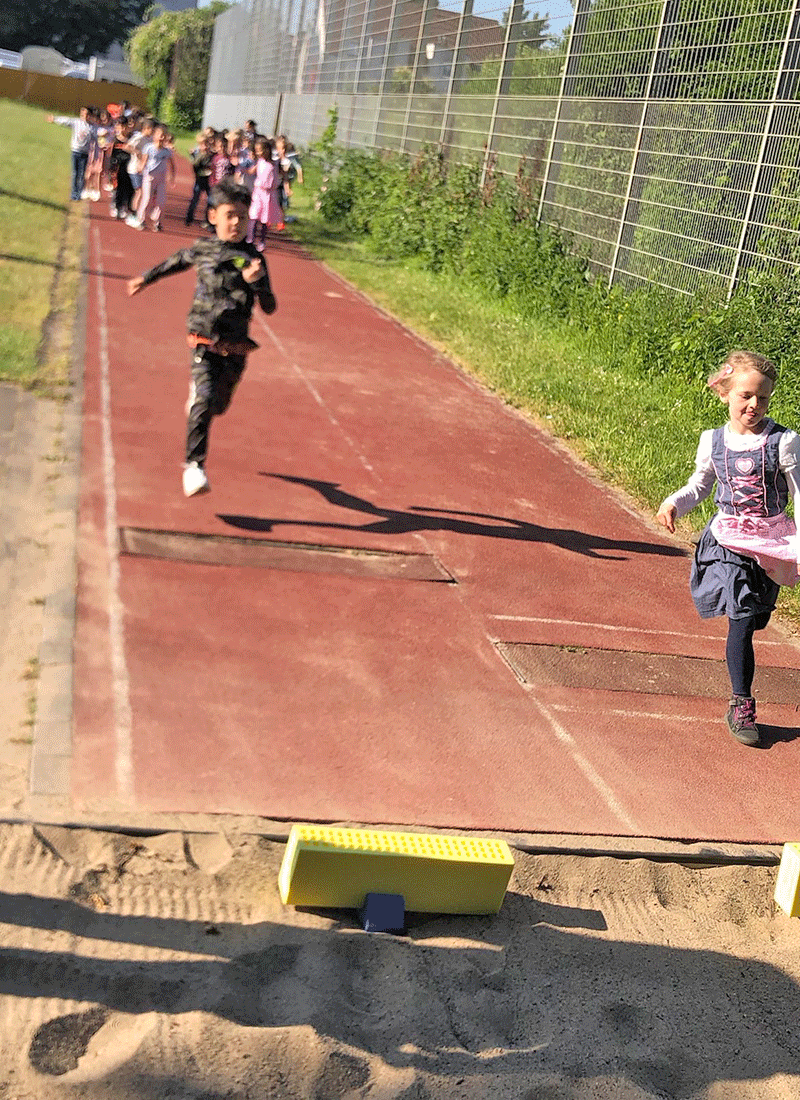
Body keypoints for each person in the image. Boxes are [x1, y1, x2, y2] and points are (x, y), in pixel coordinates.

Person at [656, 350, 800, 747]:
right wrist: (673, 502)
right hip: (727, 538)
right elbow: (701, 485)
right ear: (726, 394)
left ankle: (749, 629)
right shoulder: (713, 441)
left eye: (763, 398)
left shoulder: (784, 443)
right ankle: (742, 703)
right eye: (746, 396)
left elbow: (799, 496)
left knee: (757, 617)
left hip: (770, 541)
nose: (754, 405)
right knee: (740, 616)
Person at [127, 178, 278, 498]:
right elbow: (175, 262)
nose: (236, 222)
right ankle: (194, 467)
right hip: (203, 337)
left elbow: (270, 307)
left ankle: (203, 400)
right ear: (213, 217)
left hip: (235, 346)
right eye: (229, 215)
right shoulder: (204, 249)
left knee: (218, 406)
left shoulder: (254, 259)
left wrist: (258, 282)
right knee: (204, 401)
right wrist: (145, 278)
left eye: (242, 215)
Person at [132, 124, 175, 232]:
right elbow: (143, 161)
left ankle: (157, 221)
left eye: (164, 136)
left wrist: (172, 176)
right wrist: (140, 168)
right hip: (149, 177)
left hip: (161, 179)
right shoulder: (149, 148)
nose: (162, 138)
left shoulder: (167, 151)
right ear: (155, 136)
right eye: (160, 135)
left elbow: (172, 164)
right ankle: (141, 220)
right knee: (147, 200)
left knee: (161, 202)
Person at [47, 107, 95, 201]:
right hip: (75, 151)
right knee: (74, 173)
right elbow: (65, 120)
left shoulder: (92, 127)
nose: (84, 116)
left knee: (81, 174)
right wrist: (54, 119)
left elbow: (98, 136)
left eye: (86, 114)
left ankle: (79, 193)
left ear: (89, 115)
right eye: (82, 114)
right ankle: (73, 194)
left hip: (84, 153)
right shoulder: (76, 122)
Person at [248, 137, 283, 251]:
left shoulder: (274, 163)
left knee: (264, 219)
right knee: (253, 215)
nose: (259, 153)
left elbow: (279, 173)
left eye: (261, 150)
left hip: (269, 194)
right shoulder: (260, 161)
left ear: (267, 150)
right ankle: (250, 239)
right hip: (258, 192)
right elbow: (252, 170)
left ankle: (262, 241)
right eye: (257, 150)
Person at [185, 132, 214, 227]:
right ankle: (189, 218)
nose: (204, 147)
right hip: (199, 180)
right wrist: (193, 156)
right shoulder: (198, 155)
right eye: (202, 144)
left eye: (206, 144)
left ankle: (207, 220)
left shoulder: (211, 155)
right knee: (195, 199)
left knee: (210, 201)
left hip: (209, 181)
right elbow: (194, 166)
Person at [108, 117, 135, 220]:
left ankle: (126, 207)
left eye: (125, 127)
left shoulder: (131, 140)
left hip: (129, 166)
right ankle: (116, 206)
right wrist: (110, 168)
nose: (123, 129)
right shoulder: (115, 140)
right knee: (118, 188)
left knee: (129, 188)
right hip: (118, 167)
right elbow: (110, 154)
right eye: (120, 126)